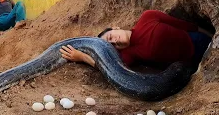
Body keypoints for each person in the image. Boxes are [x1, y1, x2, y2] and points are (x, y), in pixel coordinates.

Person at [60, 10, 214, 71]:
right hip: (193, 64)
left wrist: (212, 34)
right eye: (111, 45)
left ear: (115, 27)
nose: (114, 41)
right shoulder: (129, 55)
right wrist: (81, 57)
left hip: (198, 40)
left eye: (110, 37)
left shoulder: (148, 17)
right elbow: (110, 69)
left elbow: (186, 25)